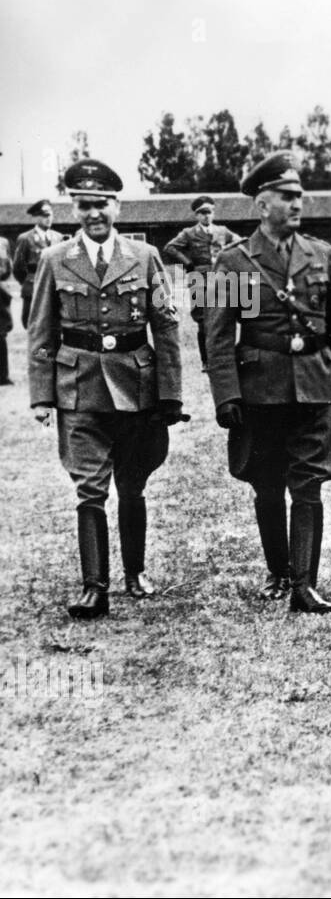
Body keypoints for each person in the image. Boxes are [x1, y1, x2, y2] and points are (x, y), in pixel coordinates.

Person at [206, 152, 331, 614]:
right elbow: (217, 335)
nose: (298, 205)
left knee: (309, 483)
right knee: (267, 483)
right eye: (287, 197)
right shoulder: (233, 261)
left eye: (300, 197)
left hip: (314, 384)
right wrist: (227, 394)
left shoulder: (322, 253)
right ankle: (278, 571)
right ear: (262, 203)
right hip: (261, 389)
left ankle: (304, 584)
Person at [26, 159, 185, 619]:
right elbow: (41, 331)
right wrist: (41, 396)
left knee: (132, 486)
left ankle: (134, 573)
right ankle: (94, 587)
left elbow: (167, 328)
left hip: (135, 386)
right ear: (73, 208)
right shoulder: (55, 260)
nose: (94, 213)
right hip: (78, 388)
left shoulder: (145, 256)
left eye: (101, 204)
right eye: (84, 205)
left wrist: (170, 394)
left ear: (116, 205)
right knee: (89, 490)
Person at [162, 196, 239, 369]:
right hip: (198, 278)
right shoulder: (188, 233)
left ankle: (225, 358)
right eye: (202, 213)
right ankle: (206, 361)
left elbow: (240, 242)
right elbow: (170, 247)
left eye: (209, 212)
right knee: (202, 320)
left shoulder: (222, 231)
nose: (206, 216)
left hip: (221, 277)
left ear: (213, 213)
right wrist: (188, 263)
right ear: (196, 215)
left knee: (225, 316)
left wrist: (229, 260)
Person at [14, 199, 65, 330]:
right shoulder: (25, 238)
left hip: (55, 289)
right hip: (33, 289)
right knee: (33, 326)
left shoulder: (58, 238)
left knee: (55, 326)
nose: (48, 219)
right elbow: (18, 268)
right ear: (36, 217)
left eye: (50, 215)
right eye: (44, 215)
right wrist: (30, 281)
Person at [0, 236, 12, 384]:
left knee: (1, 333)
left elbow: (8, 266)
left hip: (0, 292)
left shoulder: (3, 242)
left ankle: (2, 375)